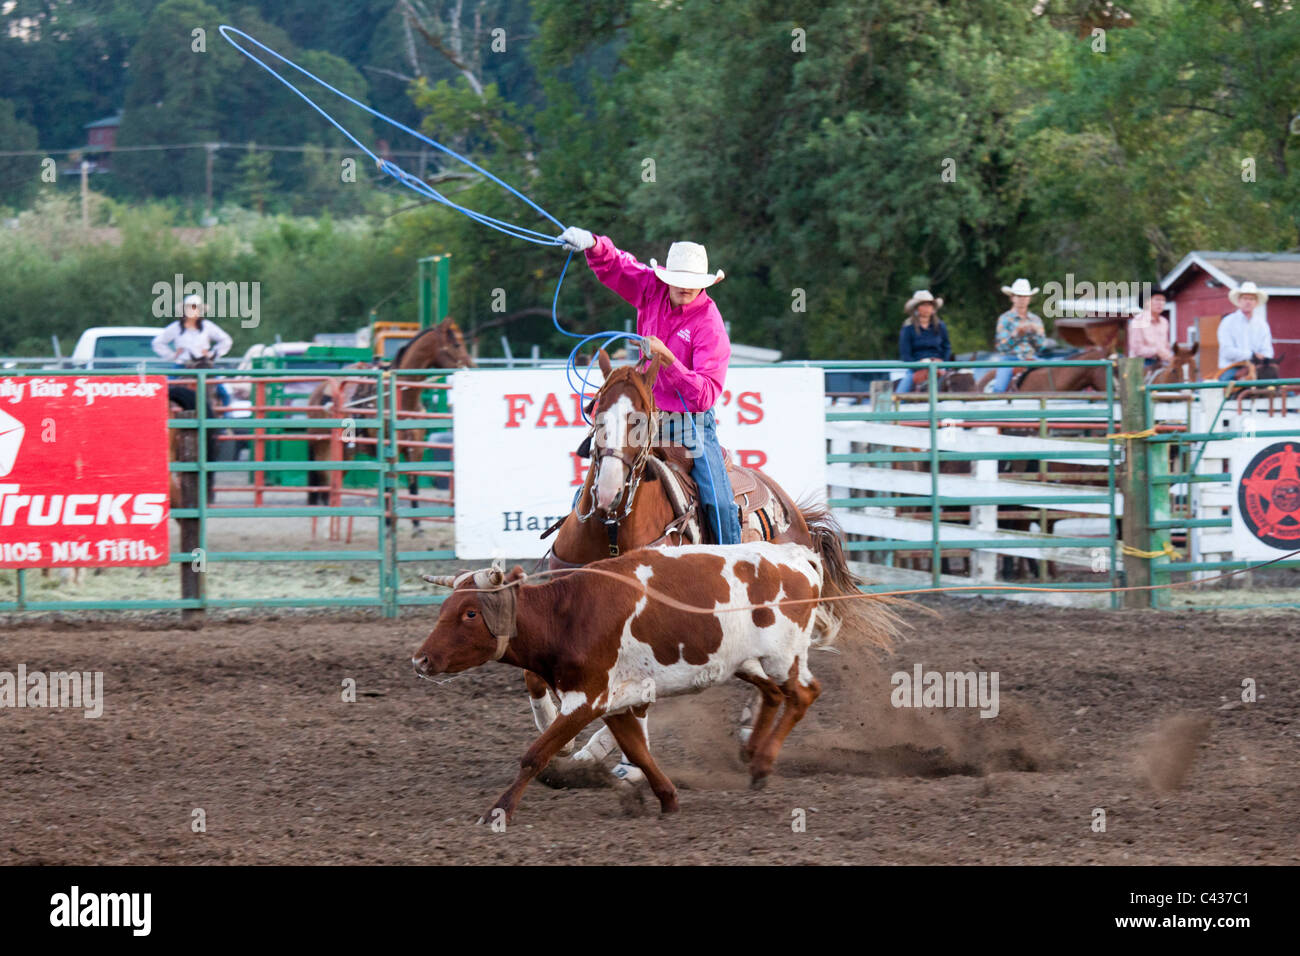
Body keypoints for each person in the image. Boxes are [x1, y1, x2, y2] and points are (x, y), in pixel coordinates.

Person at [559, 226, 742, 546]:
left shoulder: (709, 324)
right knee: (601, 471)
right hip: (645, 413)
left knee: (719, 500)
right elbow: (618, 266)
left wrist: (669, 360)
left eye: (692, 284)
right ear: (667, 277)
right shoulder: (651, 288)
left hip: (689, 423)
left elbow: (705, 395)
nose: (685, 289)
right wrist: (592, 244)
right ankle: (579, 544)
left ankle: (733, 560)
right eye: (679, 282)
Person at [989, 278, 1047, 393]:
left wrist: (1034, 335)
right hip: (1010, 360)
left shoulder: (1036, 320)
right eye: (1019, 296)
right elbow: (1002, 347)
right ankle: (995, 405)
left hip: (1031, 358)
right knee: (999, 388)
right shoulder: (1005, 319)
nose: (1022, 299)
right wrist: (1016, 335)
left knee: (1052, 375)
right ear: (1012, 298)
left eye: (1025, 296)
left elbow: (1041, 347)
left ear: (1029, 298)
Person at [151, 293, 234, 365]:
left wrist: (212, 354)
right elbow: (157, 342)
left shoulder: (207, 326)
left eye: (195, 308)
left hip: (203, 365)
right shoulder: (176, 327)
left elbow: (226, 340)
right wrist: (172, 355)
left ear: (199, 311)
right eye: (189, 308)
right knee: (170, 383)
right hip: (182, 365)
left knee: (220, 383)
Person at [895, 290, 952, 393]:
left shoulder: (940, 326)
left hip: (938, 364)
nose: (927, 308)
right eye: (924, 305)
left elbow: (947, 346)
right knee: (901, 392)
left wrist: (943, 362)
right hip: (917, 365)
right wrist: (916, 365)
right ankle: (896, 405)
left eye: (929, 305)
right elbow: (905, 353)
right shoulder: (908, 328)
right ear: (917, 308)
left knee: (955, 381)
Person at [1217, 281, 1273, 381]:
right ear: (1239, 301)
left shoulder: (1262, 324)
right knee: (1225, 388)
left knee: (1277, 387)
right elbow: (1227, 351)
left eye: (1251, 299)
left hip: (1257, 368)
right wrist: (1251, 355)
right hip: (1232, 368)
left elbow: (1268, 351)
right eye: (1245, 298)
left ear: (1256, 302)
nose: (1248, 302)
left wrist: (1261, 358)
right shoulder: (1228, 322)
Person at [1127, 285, 1173, 368]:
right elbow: (1138, 349)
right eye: (1157, 299)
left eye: (1163, 300)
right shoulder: (1137, 321)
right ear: (1146, 302)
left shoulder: (1164, 322)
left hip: (1161, 361)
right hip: (1141, 363)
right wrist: (1157, 351)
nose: (1160, 303)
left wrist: (1169, 355)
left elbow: (1166, 345)